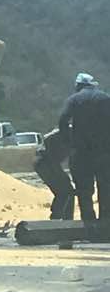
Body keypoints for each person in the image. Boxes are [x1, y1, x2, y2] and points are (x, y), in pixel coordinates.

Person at [58, 71, 110, 224]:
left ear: (78, 86)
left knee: (84, 189)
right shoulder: (105, 98)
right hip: (104, 151)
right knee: (106, 187)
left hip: (81, 152)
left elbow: (63, 121)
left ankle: (89, 223)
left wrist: (69, 141)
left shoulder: (74, 100)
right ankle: (106, 223)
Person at [33, 128, 75, 220]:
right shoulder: (70, 131)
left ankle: (64, 219)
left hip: (47, 163)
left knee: (66, 191)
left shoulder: (73, 134)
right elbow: (47, 141)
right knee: (65, 191)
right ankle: (59, 219)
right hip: (45, 163)